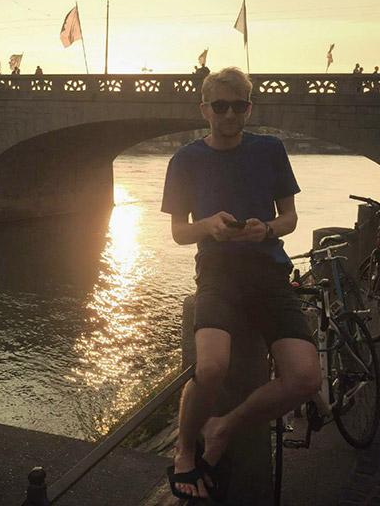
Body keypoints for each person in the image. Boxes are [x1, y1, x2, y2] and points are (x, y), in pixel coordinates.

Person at [161, 67, 320, 501]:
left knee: (306, 378)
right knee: (211, 367)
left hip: (268, 271)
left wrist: (265, 230)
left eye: (238, 106)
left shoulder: (270, 149)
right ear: (205, 109)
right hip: (216, 273)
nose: (229, 114)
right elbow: (178, 232)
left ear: (249, 108)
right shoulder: (185, 160)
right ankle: (183, 451)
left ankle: (221, 429)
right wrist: (208, 225)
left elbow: (288, 219)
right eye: (220, 106)